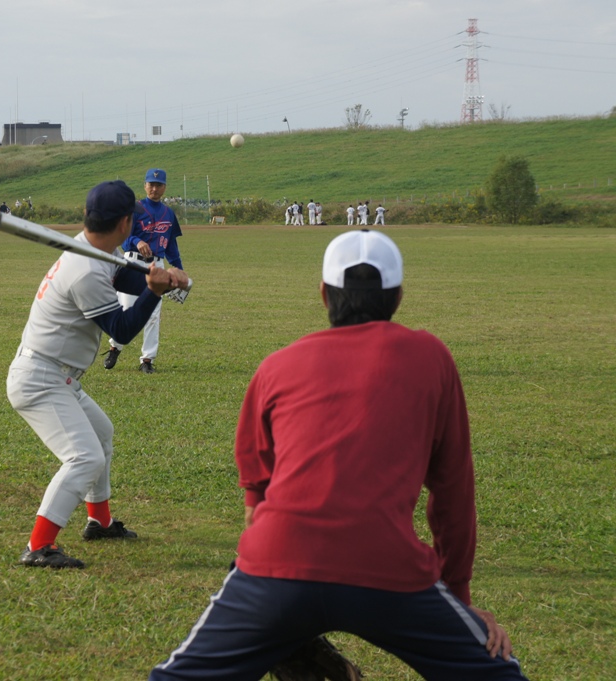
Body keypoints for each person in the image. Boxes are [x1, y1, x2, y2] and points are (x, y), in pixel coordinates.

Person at [151, 230, 528, 680]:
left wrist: (271, 601)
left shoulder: (277, 365)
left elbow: (256, 484)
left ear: (324, 295)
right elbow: (453, 493)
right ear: (399, 297)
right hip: (390, 573)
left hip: (276, 570)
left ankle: (288, 636)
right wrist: (459, 604)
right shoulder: (432, 358)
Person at [8, 180, 189, 568]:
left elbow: (125, 278)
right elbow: (121, 331)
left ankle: (100, 522)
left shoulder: (92, 248)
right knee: (83, 458)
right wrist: (154, 292)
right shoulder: (85, 269)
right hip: (40, 378)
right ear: (125, 223)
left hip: (58, 375)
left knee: (101, 434)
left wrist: (164, 278)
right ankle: (39, 546)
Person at [102, 168, 186, 374]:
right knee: (126, 309)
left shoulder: (169, 214)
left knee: (153, 315)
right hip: (133, 263)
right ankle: (115, 347)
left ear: (164, 188)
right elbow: (123, 237)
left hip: (157, 265)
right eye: (151, 184)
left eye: (158, 185)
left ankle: (147, 360)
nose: (154, 188)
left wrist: (180, 271)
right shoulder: (135, 209)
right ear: (145, 185)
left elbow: (172, 246)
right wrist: (137, 240)